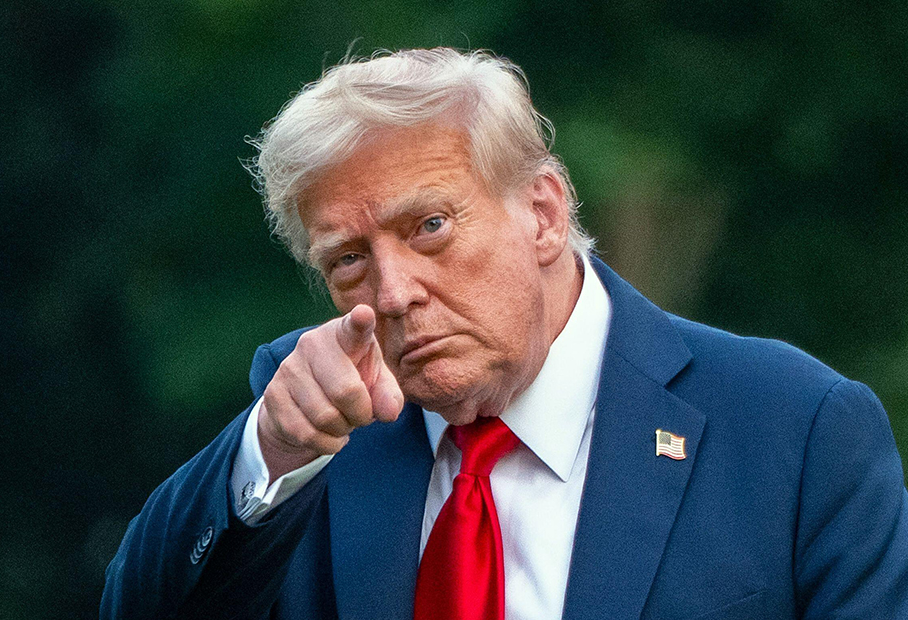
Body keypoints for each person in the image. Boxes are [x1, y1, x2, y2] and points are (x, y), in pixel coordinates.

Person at [101, 48, 908, 620]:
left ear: (544, 213)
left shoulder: (796, 430)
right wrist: (271, 451)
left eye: (430, 226)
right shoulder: (313, 421)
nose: (393, 293)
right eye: (348, 259)